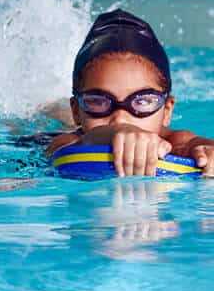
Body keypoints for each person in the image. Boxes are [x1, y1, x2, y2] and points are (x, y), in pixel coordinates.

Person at [47, 9, 214, 177]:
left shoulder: (172, 140)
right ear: (76, 110)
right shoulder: (68, 141)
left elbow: (189, 144)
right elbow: (60, 152)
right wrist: (116, 133)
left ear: (167, 110)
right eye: (98, 101)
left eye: (142, 102)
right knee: (55, 119)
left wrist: (207, 150)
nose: (120, 118)